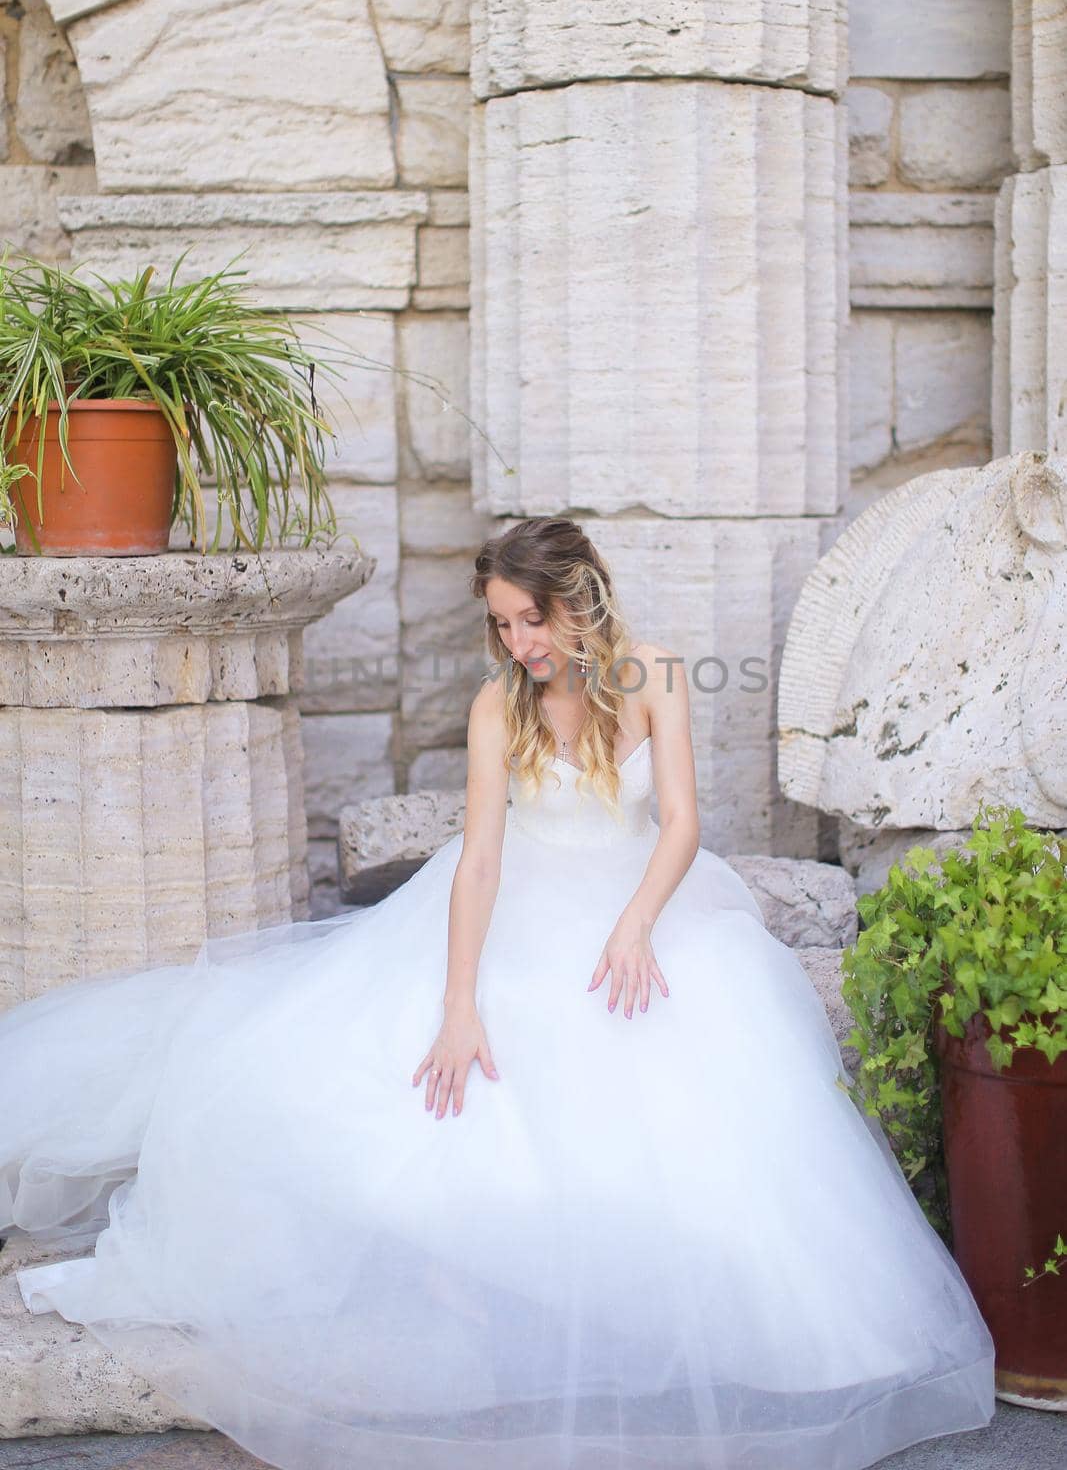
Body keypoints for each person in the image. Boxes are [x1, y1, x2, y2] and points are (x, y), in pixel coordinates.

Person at [1, 516, 994, 1470]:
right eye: (503, 622)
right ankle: (467, 1264)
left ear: (579, 601)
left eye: (531, 618)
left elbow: (685, 821)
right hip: (516, 904)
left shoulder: (652, 675)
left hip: (644, 903)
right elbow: (477, 861)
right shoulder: (496, 706)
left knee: (683, 1077)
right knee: (411, 1082)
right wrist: (458, 1003)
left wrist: (636, 920)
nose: (518, 642)